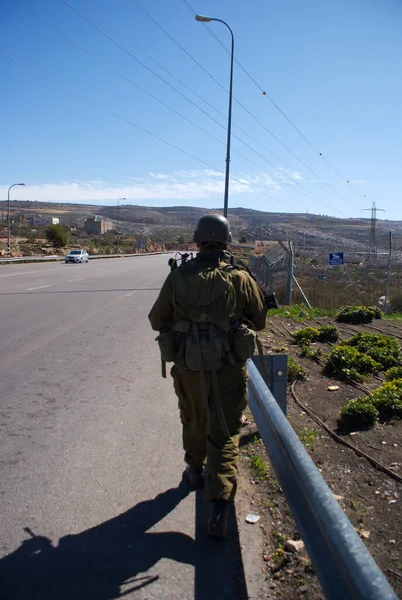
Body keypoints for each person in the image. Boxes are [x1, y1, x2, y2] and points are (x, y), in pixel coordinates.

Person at [148, 214, 267, 538]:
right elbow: (259, 321)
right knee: (225, 431)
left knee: (193, 418)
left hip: (188, 368)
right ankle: (219, 504)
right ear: (226, 241)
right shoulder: (239, 276)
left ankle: (194, 470)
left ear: (198, 240)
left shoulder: (179, 275)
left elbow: (157, 319)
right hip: (227, 367)